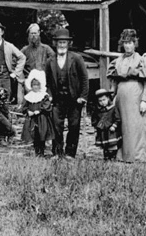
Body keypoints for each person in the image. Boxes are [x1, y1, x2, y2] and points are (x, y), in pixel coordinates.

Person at [108, 28, 146, 163]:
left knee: (137, 126)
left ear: (135, 44)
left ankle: (141, 156)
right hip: (122, 98)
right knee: (124, 126)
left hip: (136, 96)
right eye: (125, 43)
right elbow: (115, 81)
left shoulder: (141, 60)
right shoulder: (118, 61)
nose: (128, 45)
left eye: (131, 42)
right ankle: (124, 155)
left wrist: (144, 100)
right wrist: (112, 97)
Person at [44, 28, 89, 158]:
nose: (62, 45)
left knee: (74, 126)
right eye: (59, 42)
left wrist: (83, 96)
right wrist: (50, 95)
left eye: (64, 42)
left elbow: (85, 79)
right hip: (57, 100)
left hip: (74, 99)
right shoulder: (50, 61)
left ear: (68, 44)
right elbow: (47, 82)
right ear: (55, 43)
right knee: (56, 126)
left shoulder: (77, 58)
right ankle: (57, 152)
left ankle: (70, 153)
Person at [0, 21, 26, 145]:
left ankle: (2, 138)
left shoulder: (8, 46)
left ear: (2, 33)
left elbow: (22, 57)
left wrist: (15, 73)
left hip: (5, 80)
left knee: (4, 108)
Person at [20, 69, 53, 157]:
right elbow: (24, 107)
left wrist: (40, 110)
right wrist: (28, 111)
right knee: (34, 135)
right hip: (32, 119)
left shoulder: (44, 95)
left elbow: (47, 106)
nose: (35, 87)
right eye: (33, 85)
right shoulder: (29, 96)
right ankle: (36, 152)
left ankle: (41, 152)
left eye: (37, 85)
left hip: (42, 118)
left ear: (40, 85)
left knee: (41, 134)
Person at [91, 89, 122, 161]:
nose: (102, 102)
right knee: (105, 146)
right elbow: (94, 119)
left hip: (111, 131)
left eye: (104, 100)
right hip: (102, 131)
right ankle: (106, 157)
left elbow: (117, 119)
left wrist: (114, 126)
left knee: (112, 145)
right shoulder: (97, 111)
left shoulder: (113, 108)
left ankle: (113, 157)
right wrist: (96, 126)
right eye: (100, 101)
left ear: (108, 98)